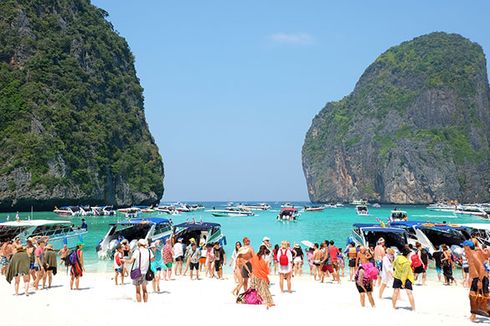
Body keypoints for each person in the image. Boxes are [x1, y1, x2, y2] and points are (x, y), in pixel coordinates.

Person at [464, 239, 490, 322]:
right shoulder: (475, 253)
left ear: (467, 247)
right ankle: (473, 315)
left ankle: (474, 315)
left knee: (483, 296)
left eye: (464, 246)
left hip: (480, 278)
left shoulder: (474, 255)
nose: (463, 248)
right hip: (479, 278)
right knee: (473, 296)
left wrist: (479, 281)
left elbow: (482, 268)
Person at [250, 245, 274, 309]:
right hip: (263, 275)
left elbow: (252, 263)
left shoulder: (255, 256)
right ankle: (268, 302)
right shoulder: (266, 257)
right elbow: (267, 266)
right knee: (265, 289)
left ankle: (263, 300)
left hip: (255, 274)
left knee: (259, 288)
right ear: (265, 250)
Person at [392, 247, 415, 311]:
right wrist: (403, 283)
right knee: (409, 293)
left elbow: (393, 265)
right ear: (407, 254)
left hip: (397, 276)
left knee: (395, 292)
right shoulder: (406, 262)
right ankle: (414, 308)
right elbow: (405, 274)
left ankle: (393, 307)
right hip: (406, 278)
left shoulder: (397, 258)